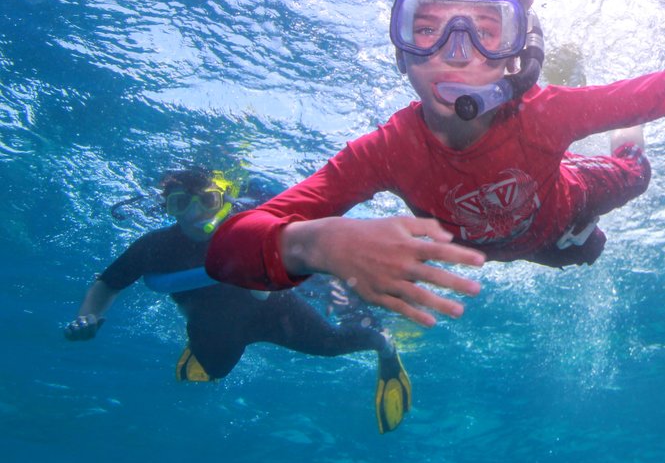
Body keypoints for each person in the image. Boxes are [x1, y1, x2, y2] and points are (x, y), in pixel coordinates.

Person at [205, 0, 665, 328]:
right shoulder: (385, 152)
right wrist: (314, 244)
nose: (457, 52)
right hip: (509, 246)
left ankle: (623, 142)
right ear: (401, 50)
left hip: (569, 206)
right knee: (575, 255)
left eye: (486, 30)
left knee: (621, 200)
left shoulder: (544, 111)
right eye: (427, 28)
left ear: (518, 51)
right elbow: (226, 248)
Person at [65, 167, 411, 434]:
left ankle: (384, 345)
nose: (196, 213)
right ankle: (200, 348)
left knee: (332, 344)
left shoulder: (251, 228)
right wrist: (89, 316)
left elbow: (289, 266)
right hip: (212, 325)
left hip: (274, 311)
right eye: (182, 204)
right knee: (215, 369)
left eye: (208, 201)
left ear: (225, 200)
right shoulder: (155, 247)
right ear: (169, 210)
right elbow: (108, 283)